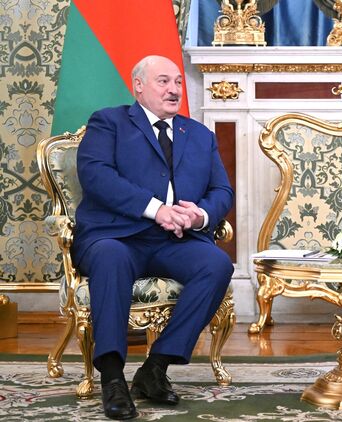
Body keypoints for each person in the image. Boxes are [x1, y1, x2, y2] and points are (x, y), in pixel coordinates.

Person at [73, 55, 234, 420]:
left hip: (175, 241)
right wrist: (156, 209)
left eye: (178, 82)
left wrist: (199, 215)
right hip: (115, 237)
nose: (174, 89)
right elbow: (97, 176)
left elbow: (222, 190)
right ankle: (112, 378)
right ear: (139, 86)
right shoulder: (109, 123)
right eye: (163, 81)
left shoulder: (200, 135)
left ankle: (155, 368)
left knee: (216, 264)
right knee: (111, 257)